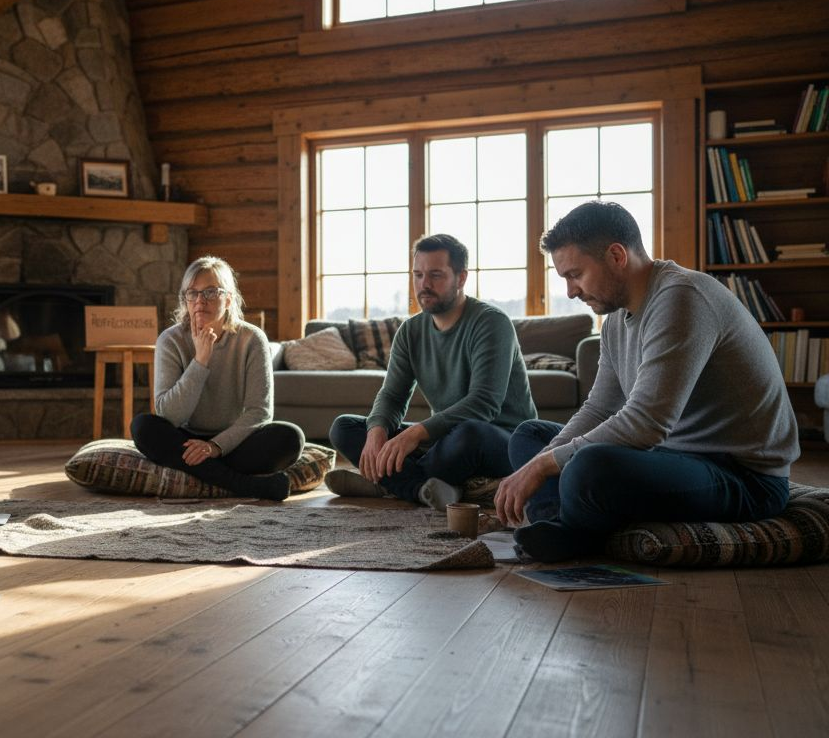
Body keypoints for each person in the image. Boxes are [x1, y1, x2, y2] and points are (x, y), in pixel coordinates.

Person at [495, 201, 799, 561]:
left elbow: (647, 423)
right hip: (670, 455)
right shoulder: (614, 321)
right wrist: (542, 458)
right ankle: (567, 523)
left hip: (744, 477)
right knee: (530, 437)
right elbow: (599, 407)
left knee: (587, 467)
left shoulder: (682, 297)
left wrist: (546, 466)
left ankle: (577, 531)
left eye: (575, 274)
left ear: (616, 255)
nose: (571, 292)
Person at [326, 234, 536, 508]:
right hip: (446, 440)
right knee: (345, 427)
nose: (424, 285)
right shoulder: (410, 331)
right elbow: (392, 395)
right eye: (418, 275)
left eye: (435, 275)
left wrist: (412, 436)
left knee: (468, 434)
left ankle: (384, 483)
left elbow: (484, 404)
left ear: (461, 278)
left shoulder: (491, 323)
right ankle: (420, 488)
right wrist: (377, 430)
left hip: (499, 440)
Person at [131, 256, 305, 501]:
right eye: (192, 293)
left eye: (211, 292)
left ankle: (203, 474)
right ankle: (245, 486)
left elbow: (260, 412)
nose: (200, 300)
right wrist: (200, 361)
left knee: (290, 438)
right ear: (185, 300)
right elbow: (168, 415)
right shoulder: (170, 340)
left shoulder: (252, 339)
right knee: (143, 427)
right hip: (184, 441)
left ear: (229, 298)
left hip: (233, 442)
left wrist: (214, 447)